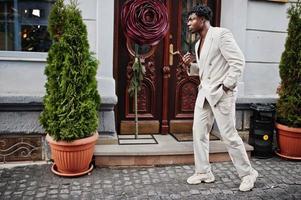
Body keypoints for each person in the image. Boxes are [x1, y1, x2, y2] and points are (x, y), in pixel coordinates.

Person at [182, 4, 258, 192]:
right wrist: (190, 64)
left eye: (191, 19)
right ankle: (203, 172)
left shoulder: (221, 34)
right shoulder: (198, 44)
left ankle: (248, 174)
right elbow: (205, 71)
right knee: (198, 132)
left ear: (202, 19)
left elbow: (238, 61)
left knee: (229, 135)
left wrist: (226, 86)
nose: (188, 23)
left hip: (222, 93)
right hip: (205, 93)